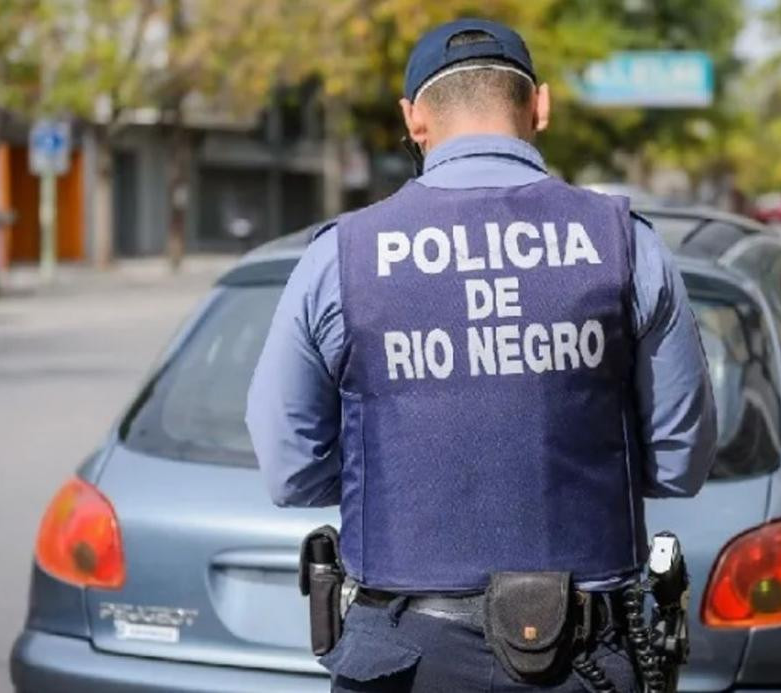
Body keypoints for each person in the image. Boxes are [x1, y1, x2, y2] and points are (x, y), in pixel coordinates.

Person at [246, 18, 717, 692]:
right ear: (540, 107)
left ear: (413, 120)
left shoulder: (339, 258)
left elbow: (290, 468)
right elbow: (679, 461)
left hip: (404, 658)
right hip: (582, 657)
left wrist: (401, 477)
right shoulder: (628, 245)